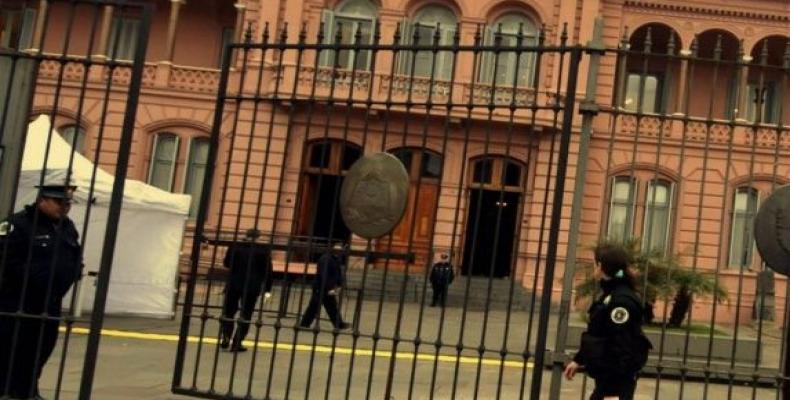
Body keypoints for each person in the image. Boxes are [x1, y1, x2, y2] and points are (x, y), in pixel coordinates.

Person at [0, 183, 82, 400]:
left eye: (68, 203)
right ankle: (7, 390)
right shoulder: (18, 224)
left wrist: (71, 275)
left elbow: (73, 257)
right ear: (42, 200)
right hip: (18, 302)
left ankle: (28, 390)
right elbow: (7, 260)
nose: (64, 208)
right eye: (59, 203)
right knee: (13, 349)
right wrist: (36, 281)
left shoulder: (67, 226)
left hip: (50, 302)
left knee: (41, 349)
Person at [563, 243, 652, 400]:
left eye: (595, 264)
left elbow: (622, 346)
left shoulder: (621, 301)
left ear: (601, 267)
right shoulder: (611, 294)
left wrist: (612, 393)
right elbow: (599, 334)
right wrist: (578, 360)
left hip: (615, 381)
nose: (593, 268)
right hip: (607, 378)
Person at [220, 228, 274, 352]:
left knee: (229, 312)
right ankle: (237, 342)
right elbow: (268, 271)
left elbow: (227, 263)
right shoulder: (262, 250)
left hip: (234, 284)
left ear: (246, 235)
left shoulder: (235, 246)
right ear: (258, 237)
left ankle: (226, 336)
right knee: (246, 314)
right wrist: (267, 289)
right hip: (252, 286)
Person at [299, 242, 349, 330]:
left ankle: (339, 324)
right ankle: (304, 324)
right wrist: (329, 288)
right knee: (314, 306)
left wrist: (339, 284)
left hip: (328, 288)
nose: (339, 252)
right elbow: (324, 275)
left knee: (332, 307)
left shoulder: (335, 259)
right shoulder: (326, 259)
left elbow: (338, 273)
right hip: (320, 287)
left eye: (340, 250)